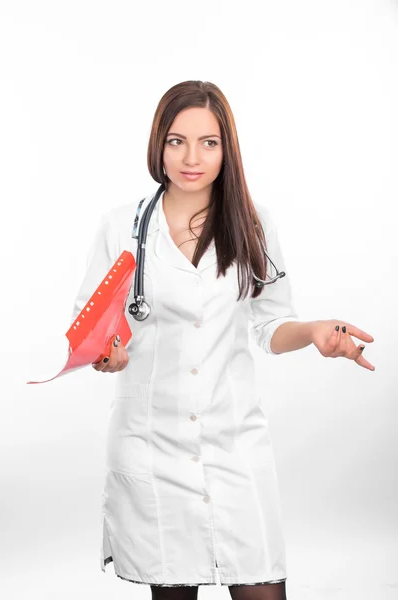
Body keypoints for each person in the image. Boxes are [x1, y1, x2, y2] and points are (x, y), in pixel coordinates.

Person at [69, 80, 375, 600]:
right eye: (176, 141)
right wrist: (109, 354)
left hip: (235, 445)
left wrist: (316, 333)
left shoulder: (253, 225)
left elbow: (272, 325)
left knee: (261, 586)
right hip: (152, 446)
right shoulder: (121, 228)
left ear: (226, 149)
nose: (192, 157)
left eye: (209, 142)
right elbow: (93, 327)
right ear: (157, 145)